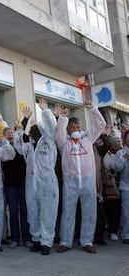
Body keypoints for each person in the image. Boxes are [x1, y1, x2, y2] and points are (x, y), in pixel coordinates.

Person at [55, 100, 106, 254]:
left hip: (88, 180)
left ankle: (87, 241)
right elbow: (58, 133)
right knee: (68, 211)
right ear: (68, 130)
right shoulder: (64, 143)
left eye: (77, 127)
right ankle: (65, 241)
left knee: (89, 210)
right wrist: (63, 119)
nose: (75, 129)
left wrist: (93, 110)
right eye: (72, 128)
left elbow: (101, 125)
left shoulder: (88, 138)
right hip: (70, 181)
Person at [14, 99, 59, 255]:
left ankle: (47, 242)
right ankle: (37, 240)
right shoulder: (27, 147)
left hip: (47, 183)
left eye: (36, 130)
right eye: (32, 130)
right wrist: (24, 121)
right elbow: (18, 142)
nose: (34, 133)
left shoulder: (49, 143)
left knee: (48, 213)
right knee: (33, 212)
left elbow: (52, 127)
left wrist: (44, 111)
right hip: (31, 183)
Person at [2, 125, 31, 250]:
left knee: (25, 212)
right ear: (4, 136)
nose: (10, 134)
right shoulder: (3, 149)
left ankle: (27, 238)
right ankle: (14, 238)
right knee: (13, 213)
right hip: (10, 186)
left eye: (11, 132)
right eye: (7, 133)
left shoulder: (22, 148)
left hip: (23, 185)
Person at [102, 135, 122, 242]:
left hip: (122, 184)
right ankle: (112, 230)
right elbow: (108, 169)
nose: (117, 143)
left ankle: (118, 228)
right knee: (112, 209)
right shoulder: (107, 155)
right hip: (111, 186)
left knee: (120, 209)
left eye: (119, 141)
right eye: (115, 141)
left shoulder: (124, 153)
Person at [114, 130, 129, 244]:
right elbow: (117, 168)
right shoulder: (120, 152)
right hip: (126, 187)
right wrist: (124, 157)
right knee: (126, 212)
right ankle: (126, 234)